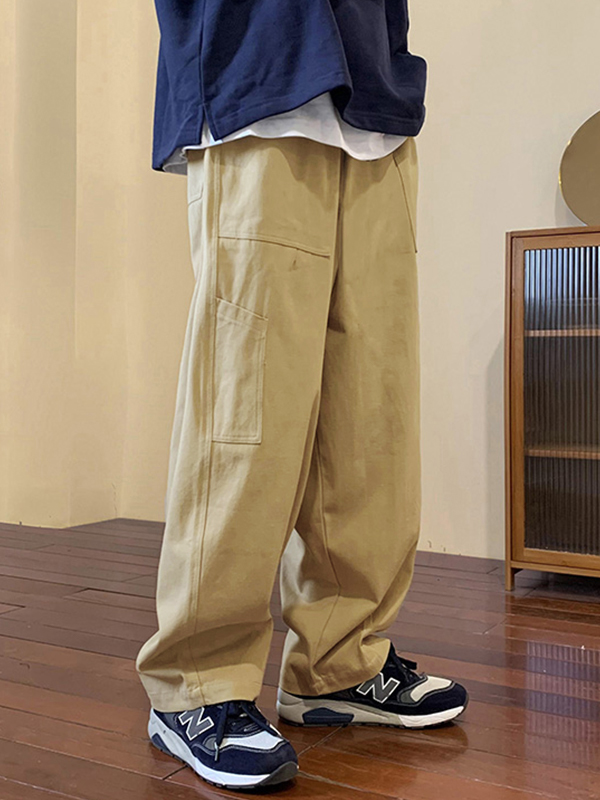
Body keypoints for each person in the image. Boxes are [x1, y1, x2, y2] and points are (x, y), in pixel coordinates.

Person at [135, 0, 468, 792]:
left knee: (373, 411)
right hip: (257, 78)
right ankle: (195, 683)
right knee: (246, 409)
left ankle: (339, 663)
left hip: (373, 101)